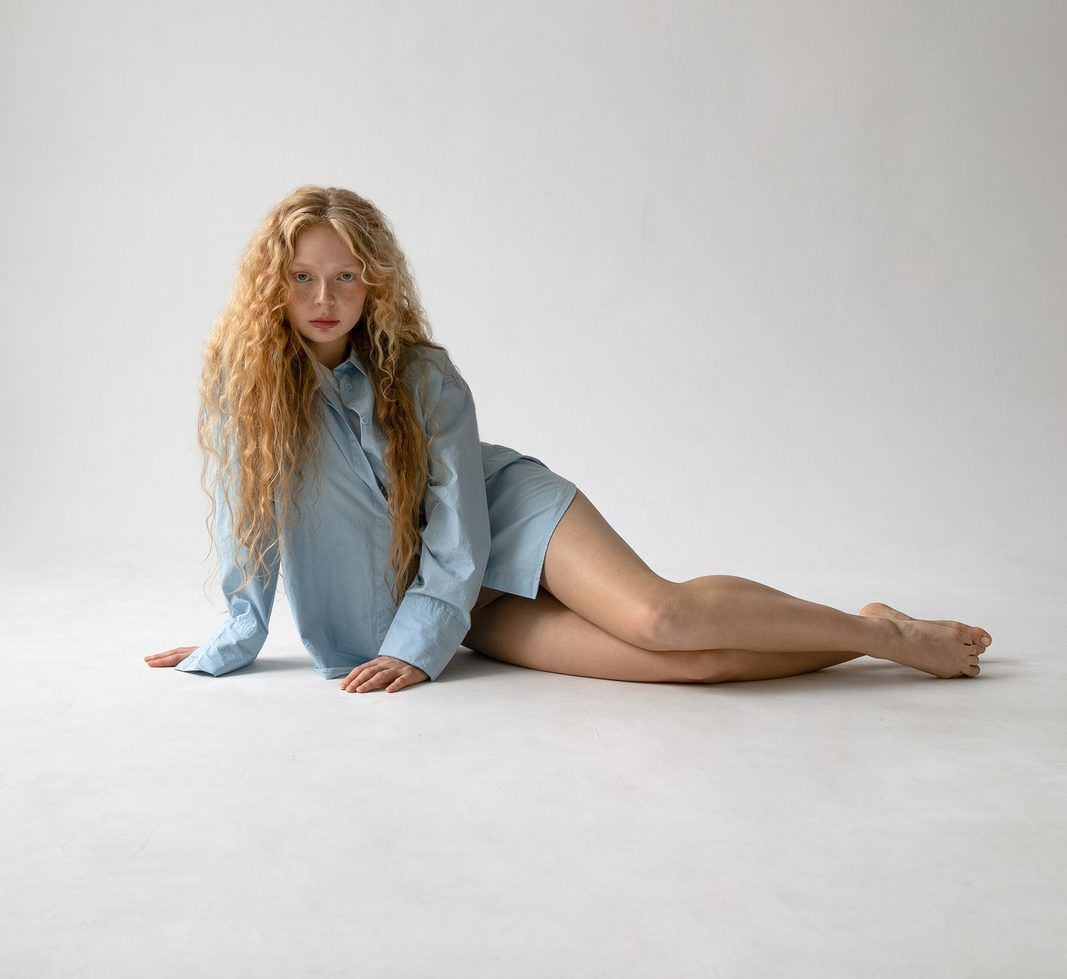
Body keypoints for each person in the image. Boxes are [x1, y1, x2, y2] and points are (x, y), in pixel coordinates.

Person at [146, 186, 991, 693]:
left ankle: (890, 640)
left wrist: (415, 645)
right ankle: (866, 625)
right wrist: (235, 638)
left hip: (501, 516)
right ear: (273, 283)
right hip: (461, 604)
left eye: (345, 277)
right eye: (301, 277)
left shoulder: (423, 374)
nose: (324, 298)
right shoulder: (241, 383)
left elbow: (456, 520)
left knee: (660, 618)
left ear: (374, 284)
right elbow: (246, 520)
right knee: (687, 669)